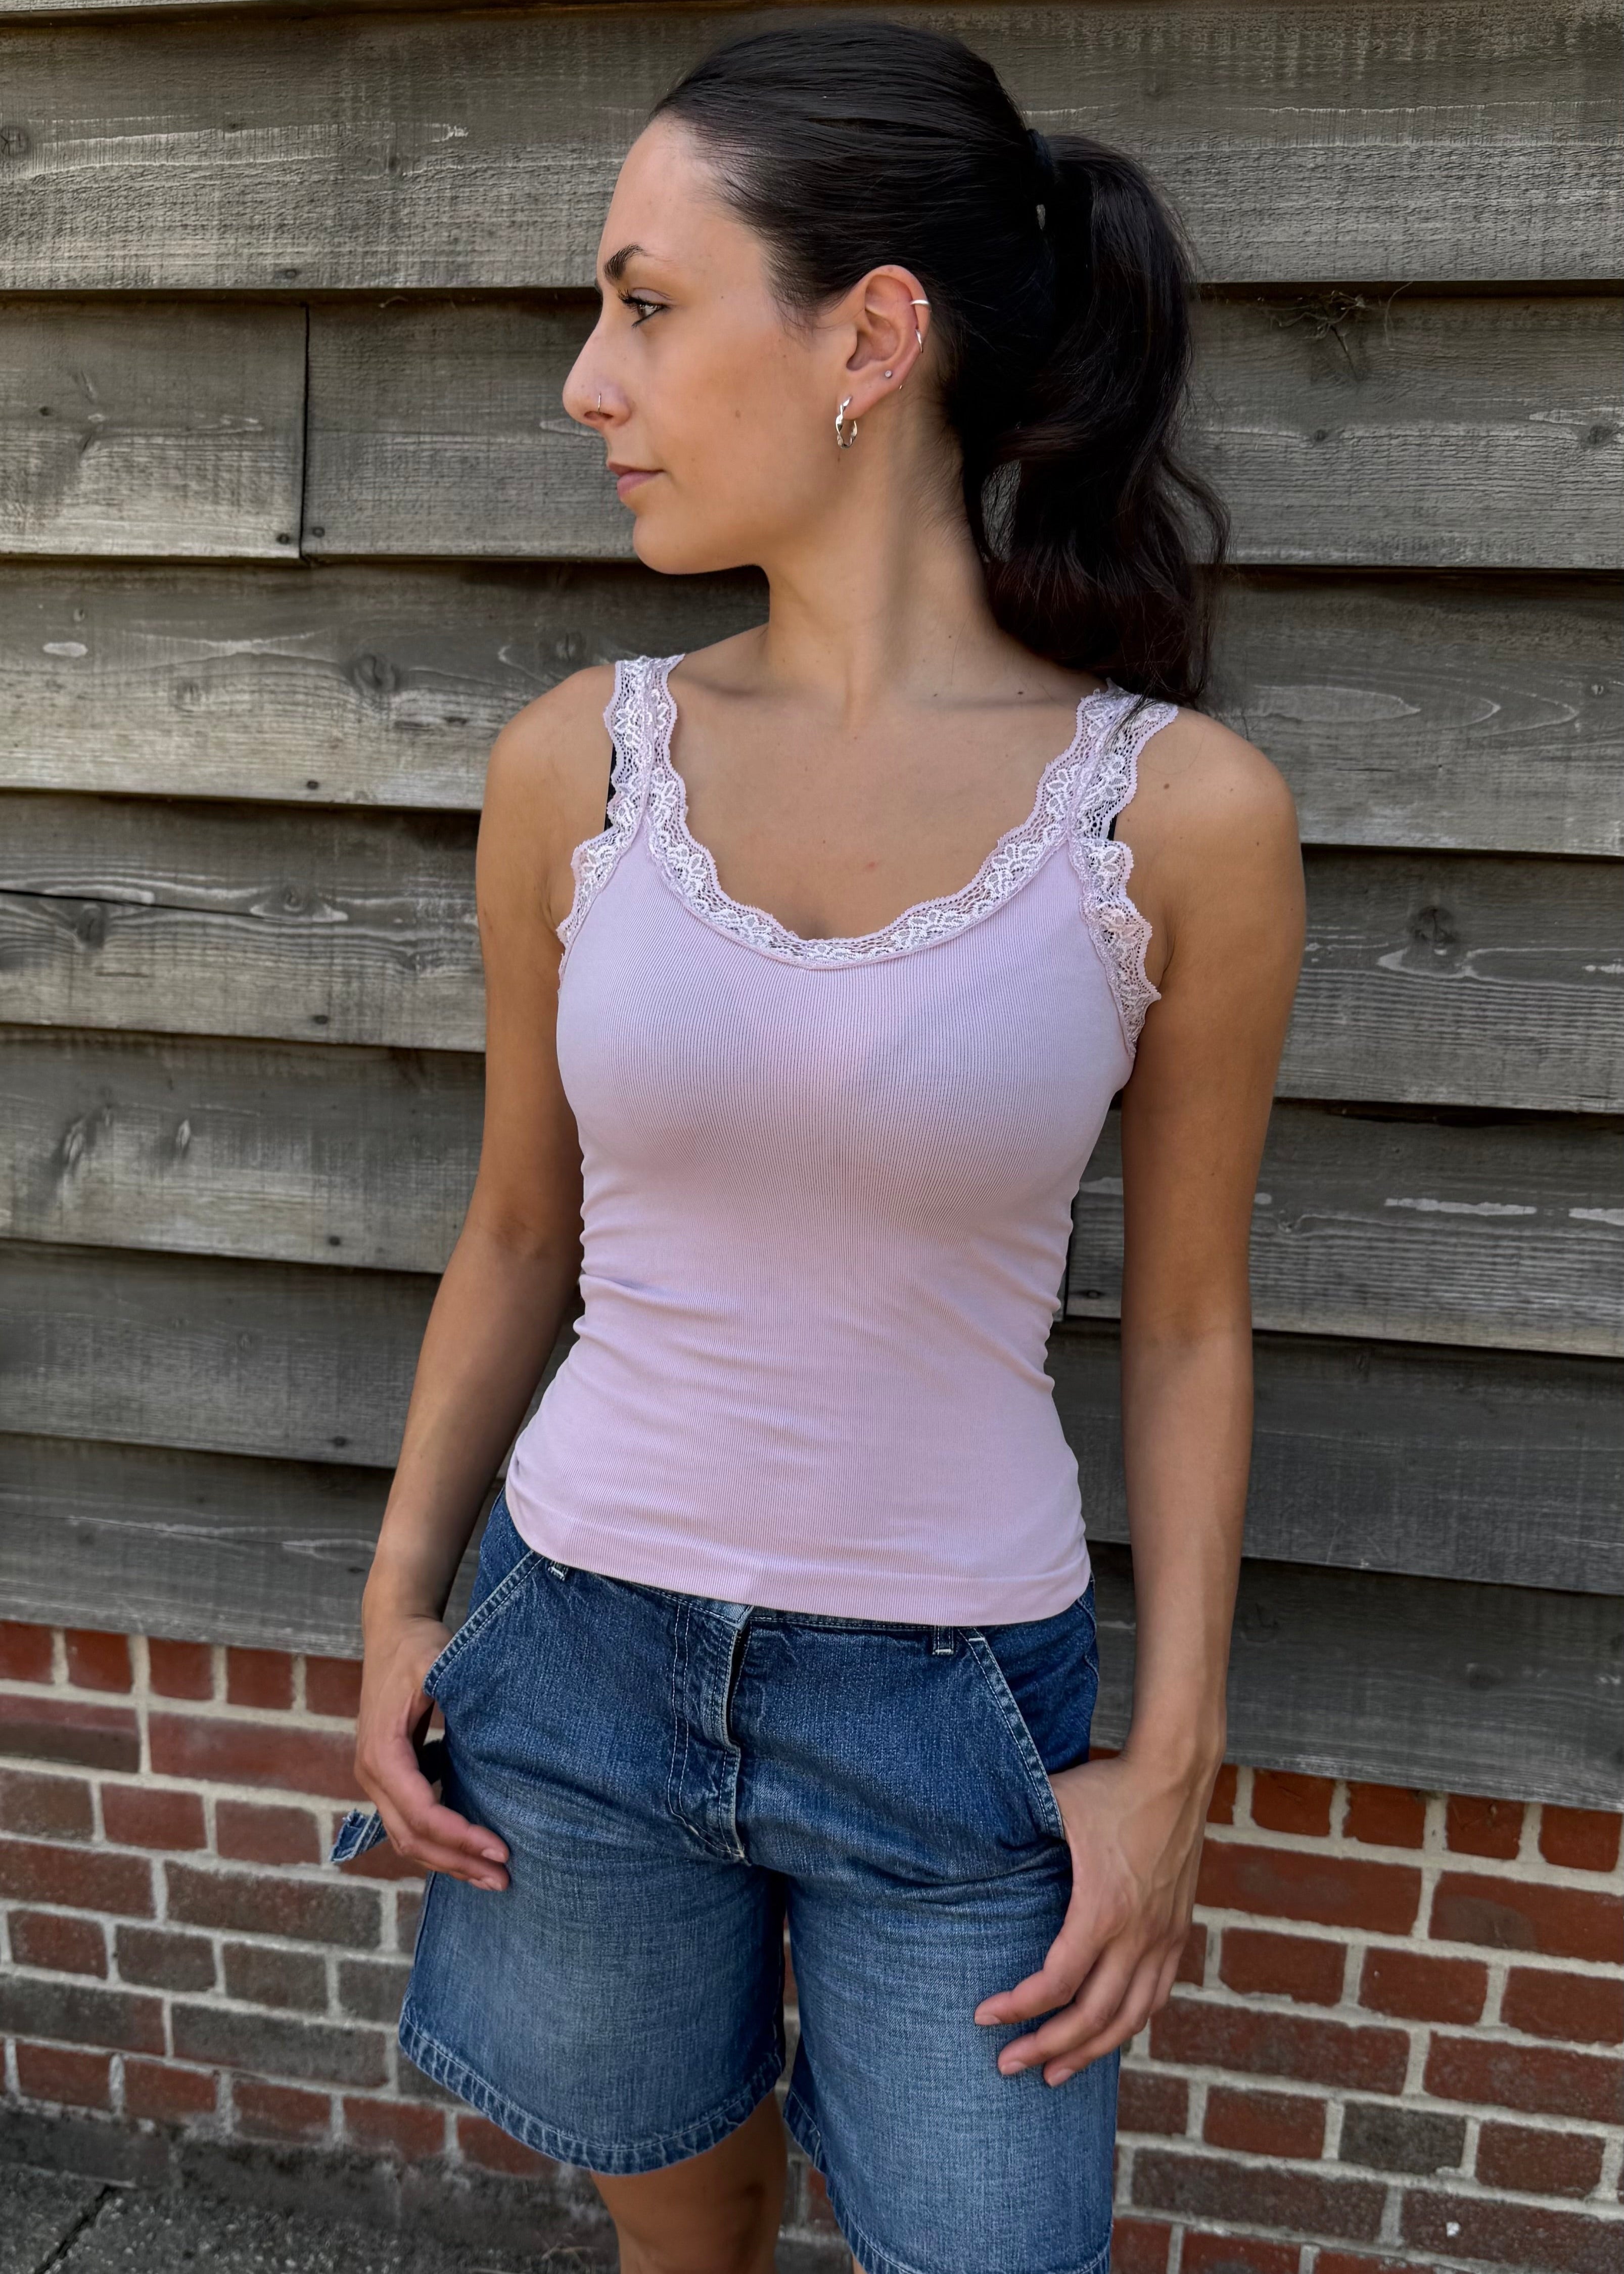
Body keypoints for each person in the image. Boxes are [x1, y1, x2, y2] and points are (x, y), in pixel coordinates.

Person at [332, 18, 1305, 2274]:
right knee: (680, 2223)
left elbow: (1182, 1325)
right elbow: (513, 1232)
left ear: (871, 335)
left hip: (951, 1719)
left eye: (647, 306)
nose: (591, 382)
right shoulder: (577, 766)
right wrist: (397, 1598)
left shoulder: (1179, 821)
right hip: (571, 1661)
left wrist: (1169, 1771)